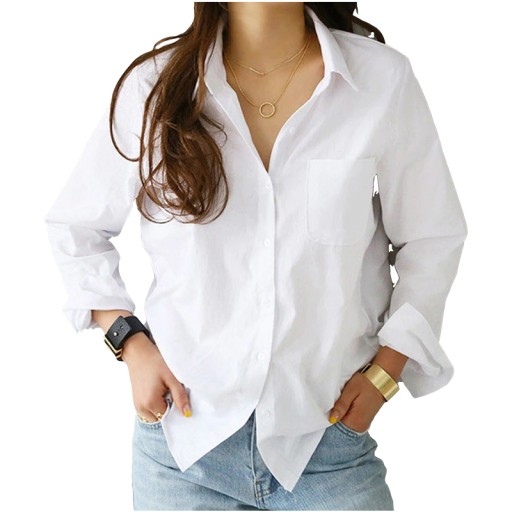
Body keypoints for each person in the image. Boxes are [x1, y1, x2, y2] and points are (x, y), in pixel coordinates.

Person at [44, 2, 468, 510]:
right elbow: (77, 228)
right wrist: (130, 343)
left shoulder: (380, 80)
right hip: (184, 450)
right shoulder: (153, 87)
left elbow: (431, 237)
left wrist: (386, 373)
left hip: (326, 442)